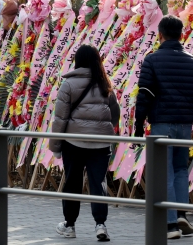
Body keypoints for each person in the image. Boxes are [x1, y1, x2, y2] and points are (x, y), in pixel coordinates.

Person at [134, 15, 193, 239]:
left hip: (162, 123)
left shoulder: (152, 60)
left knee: (163, 172)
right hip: (185, 124)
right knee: (180, 169)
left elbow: (145, 94)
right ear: (181, 34)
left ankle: (170, 225)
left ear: (160, 34)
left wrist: (139, 123)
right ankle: (181, 213)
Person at [50, 45, 121, 242]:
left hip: (73, 142)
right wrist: (103, 128)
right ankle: (100, 225)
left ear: (77, 61)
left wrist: (56, 146)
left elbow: (60, 119)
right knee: (98, 183)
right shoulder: (105, 84)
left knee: (72, 182)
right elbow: (115, 114)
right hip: (101, 143)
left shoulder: (68, 85)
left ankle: (70, 225)